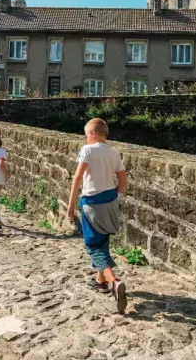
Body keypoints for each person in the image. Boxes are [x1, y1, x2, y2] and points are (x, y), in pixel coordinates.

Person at [67, 117, 128, 314]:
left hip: (92, 202)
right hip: (111, 200)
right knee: (103, 241)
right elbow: (123, 182)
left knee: (93, 246)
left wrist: (70, 204)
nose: (86, 139)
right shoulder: (114, 151)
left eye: (86, 136)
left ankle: (114, 282)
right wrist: (112, 195)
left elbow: (77, 177)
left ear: (92, 134)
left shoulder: (88, 149)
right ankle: (100, 281)